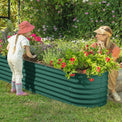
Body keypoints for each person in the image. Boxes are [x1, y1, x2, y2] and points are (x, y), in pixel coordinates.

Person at [91, 26, 121, 102]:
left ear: (106, 36)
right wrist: (97, 51)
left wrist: (103, 50)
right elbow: (90, 59)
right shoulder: (94, 46)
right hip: (95, 66)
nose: (96, 36)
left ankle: (113, 91)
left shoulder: (115, 48)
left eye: (98, 34)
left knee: (112, 68)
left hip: (107, 67)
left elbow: (110, 62)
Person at [6, 21, 36, 96]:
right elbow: (28, 53)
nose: (31, 31)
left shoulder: (13, 37)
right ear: (26, 31)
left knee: (14, 72)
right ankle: (19, 92)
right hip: (16, 59)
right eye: (30, 30)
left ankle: (13, 88)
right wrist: (33, 57)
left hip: (9, 57)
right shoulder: (25, 40)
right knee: (19, 74)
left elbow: (7, 48)